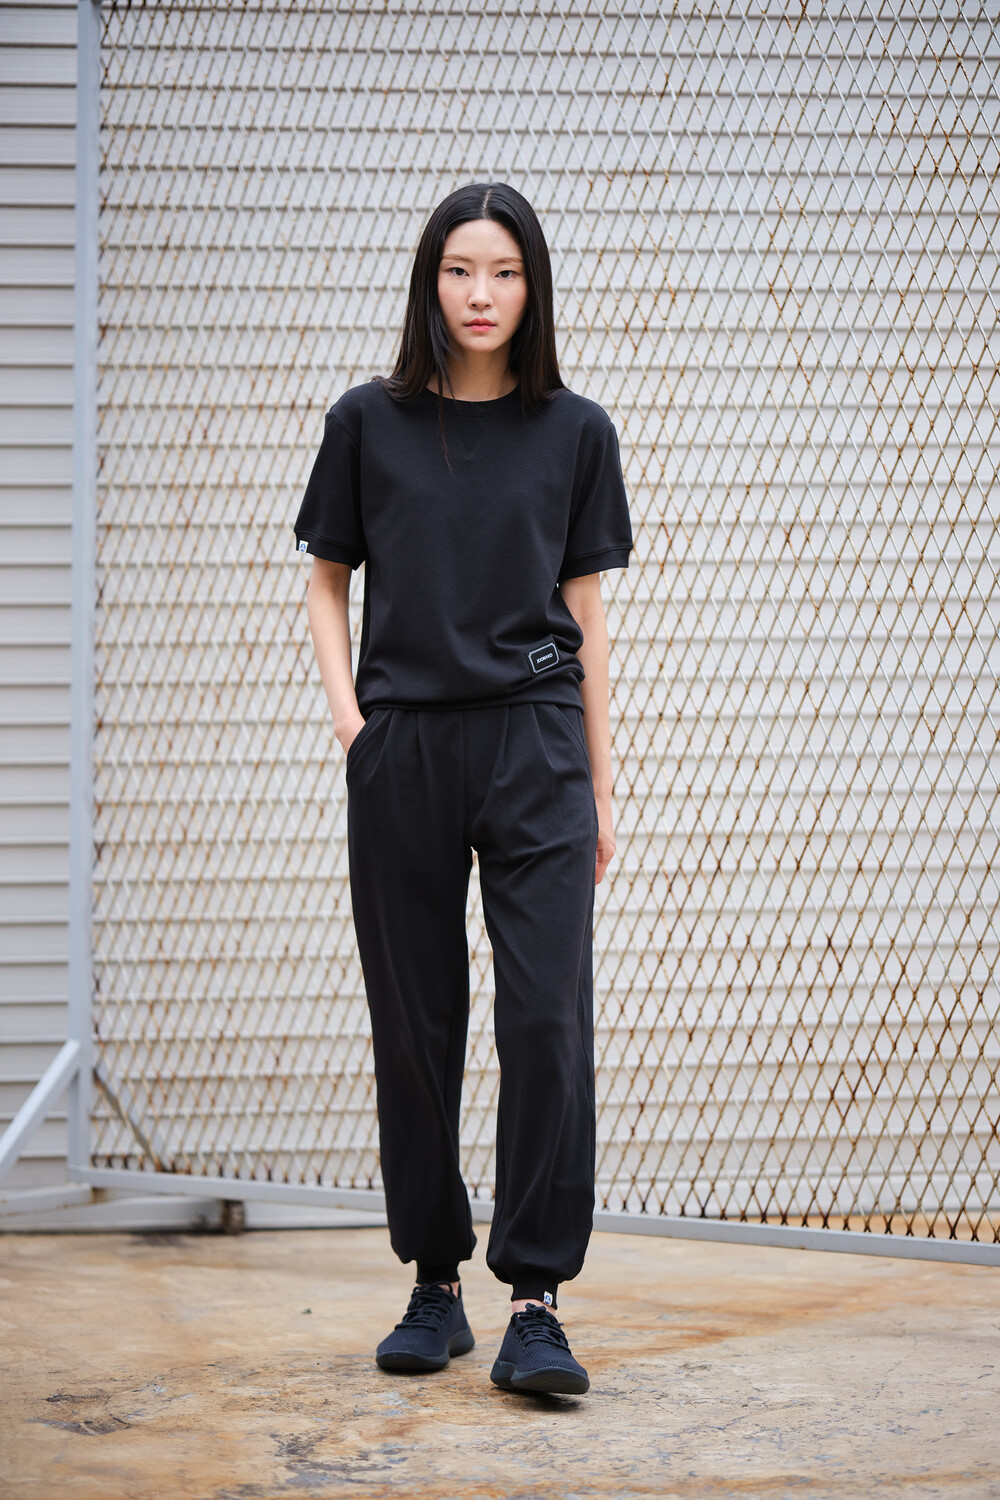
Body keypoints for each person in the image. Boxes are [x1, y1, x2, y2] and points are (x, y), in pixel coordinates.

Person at [293, 181, 633, 1397]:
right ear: (428, 282)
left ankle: (536, 1299)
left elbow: (586, 618)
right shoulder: (366, 422)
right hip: (406, 750)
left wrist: (600, 785)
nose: (480, 294)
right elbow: (327, 582)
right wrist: (356, 729)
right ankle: (433, 1284)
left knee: (545, 1017)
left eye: (504, 272)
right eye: (458, 270)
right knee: (416, 1019)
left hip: (536, 744)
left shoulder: (576, 431)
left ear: (532, 287)